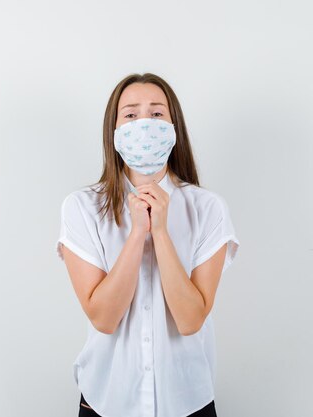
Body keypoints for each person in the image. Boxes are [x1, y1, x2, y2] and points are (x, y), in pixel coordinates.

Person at [55, 73, 240, 417]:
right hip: (105, 399)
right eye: (130, 115)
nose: (144, 124)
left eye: (156, 114)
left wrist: (162, 233)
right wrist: (138, 232)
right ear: (114, 132)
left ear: (173, 128)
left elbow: (190, 319)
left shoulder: (207, 208)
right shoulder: (81, 207)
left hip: (186, 401)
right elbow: (104, 317)